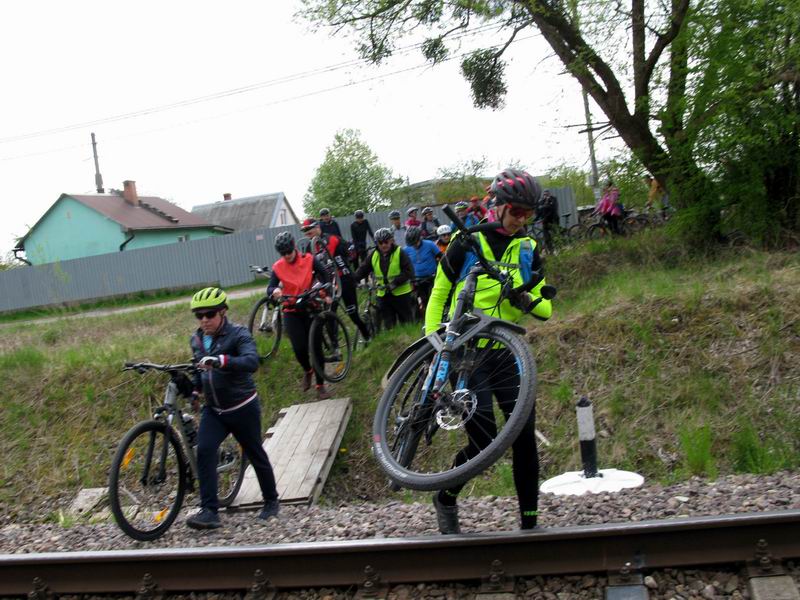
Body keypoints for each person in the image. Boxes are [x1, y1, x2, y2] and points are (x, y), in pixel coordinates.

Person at [425, 168, 553, 535]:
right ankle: (446, 495)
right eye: (516, 211)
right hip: (465, 350)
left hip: (506, 354)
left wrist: (526, 298)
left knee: (523, 437)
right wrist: (437, 339)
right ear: (496, 206)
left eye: (529, 214)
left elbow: (546, 309)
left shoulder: (527, 248)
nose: (521, 220)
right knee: (483, 439)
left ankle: (530, 526)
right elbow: (438, 294)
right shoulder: (468, 242)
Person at [187, 287, 280, 530]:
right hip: (214, 410)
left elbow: (251, 362)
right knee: (205, 451)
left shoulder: (238, 334)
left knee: (254, 452)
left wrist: (222, 361)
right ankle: (209, 510)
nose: (204, 320)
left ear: (223, 312)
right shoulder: (196, 340)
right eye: (199, 315)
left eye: (210, 314)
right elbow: (198, 371)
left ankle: (271, 501)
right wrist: (195, 391)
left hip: (242, 406)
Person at [267, 232, 333, 400]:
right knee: (299, 348)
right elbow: (270, 287)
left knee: (316, 348)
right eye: (283, 253)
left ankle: (320, 386)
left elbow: (325, 274)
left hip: (311, 306)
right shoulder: (278, 267)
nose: (287, 255)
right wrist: (274, 291)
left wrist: (325, 291)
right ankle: (307, 370)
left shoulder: (309, 259)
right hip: (291, 310)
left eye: (289, 251)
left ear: (294, 247)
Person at [301, 218, 371, 343]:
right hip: (328, 283)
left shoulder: (333, 239)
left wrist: (346, 258)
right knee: (329, 315)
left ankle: (367, 335)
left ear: (317, 227)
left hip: (344, 279)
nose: (306, 232)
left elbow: (350, 249)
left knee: (353, 314)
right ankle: (335, 347)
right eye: (304, 230)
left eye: (309, 229)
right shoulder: (309, 248)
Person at [354, 227, 414, 329]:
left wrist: (395, 283)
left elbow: (409, 271)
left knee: (407, 323)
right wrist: (354, 280)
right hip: (383, 294)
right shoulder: (374, 254)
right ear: (377, 243)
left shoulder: (400, 252)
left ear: (391, 240)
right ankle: (395, 342)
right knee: (389, 325)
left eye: (386, 242)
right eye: (380, 242)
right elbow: (363, 269)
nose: (384, 245)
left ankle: (409, 341)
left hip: (401, 294)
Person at [404, 225, 441, 317]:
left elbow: (441, 257)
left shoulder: (430, 244)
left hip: (431, 277)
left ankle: (436, 315)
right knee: (420, 300)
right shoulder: (406, 250)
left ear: (419, 237)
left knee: (433, 298)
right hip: (417, 280)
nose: (414, 245)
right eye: (411, 244)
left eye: (415, 242)